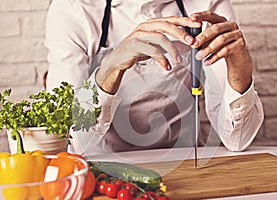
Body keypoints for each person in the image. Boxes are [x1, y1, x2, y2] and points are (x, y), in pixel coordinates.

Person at [45, 0, 264, 156]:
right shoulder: (73, 9)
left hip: (184, 167)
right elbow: (68, 141)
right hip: (103, 171)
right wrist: (111, 68)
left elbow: (238, 140)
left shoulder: (206, 5)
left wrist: (240, 73)